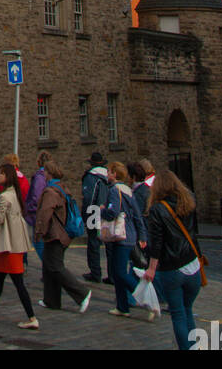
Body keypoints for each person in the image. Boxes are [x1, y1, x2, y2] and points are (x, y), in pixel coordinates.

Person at [143, 169, 204, 351]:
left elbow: (157, 242)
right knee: (188, 311)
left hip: (171, 268)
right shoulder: (188, 201)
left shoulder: (157, 209)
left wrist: (151, 268)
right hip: (192, 264)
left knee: (177, 314)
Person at [0, 161, 38, 329]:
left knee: (18, 282)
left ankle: (32, 317)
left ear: (7, 177)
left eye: (0, 173)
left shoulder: (5, 196)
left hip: (9, 243)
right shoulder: (14, 194)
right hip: (11, 242)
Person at [34, 160, 91, 313]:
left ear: (49, 173)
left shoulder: (50, 191)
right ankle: (51, 300)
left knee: (55, 266)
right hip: (61, 233)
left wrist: (39, 230)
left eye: (45, 172)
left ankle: (82, 293)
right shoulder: (62, 188)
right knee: (48, 265)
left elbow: (45, 212)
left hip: (56, 234)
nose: (43, 174)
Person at [102, 161, 147, 319]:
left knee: (120, 273)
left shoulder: (114, 190)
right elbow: (137, 215)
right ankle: (122, 306)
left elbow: (112, 212)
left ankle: (145, 299)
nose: (107, 174)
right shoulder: (128, 190)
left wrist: (102, 211)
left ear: (115, 174)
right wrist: (142, 235)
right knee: (117, 271)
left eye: (108, 172)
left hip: (121, 236)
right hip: (130, 235)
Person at [81, 150, 111, 283]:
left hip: (93, 211)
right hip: (108, 211)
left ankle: (95, 272)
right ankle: (112, 274)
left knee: (93, 242)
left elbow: (89, 197)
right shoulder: (108, 176)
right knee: (110, 243)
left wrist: (86, 214)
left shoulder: (91, 177)